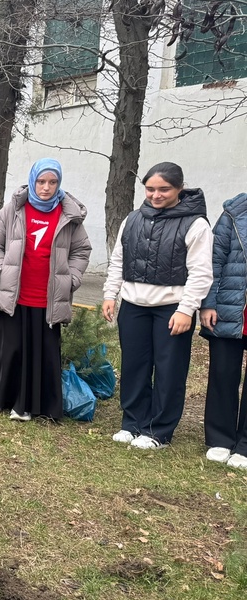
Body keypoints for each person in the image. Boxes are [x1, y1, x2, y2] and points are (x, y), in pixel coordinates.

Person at [102, 162, 213, 449]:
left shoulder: (196, 224)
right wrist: (110, 294)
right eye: (150, 189)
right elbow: (118, 260)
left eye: (164, 189)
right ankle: (132, 422)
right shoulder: (132, 219)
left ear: (179, 188)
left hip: (171, 309)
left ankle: (158, 431)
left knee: (169, 370)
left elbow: (201, 272)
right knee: (134, 366)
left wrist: (186, 309)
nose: (156, 195)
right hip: (133, 306)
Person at [0, 159, 92, 422]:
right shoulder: (14, 209)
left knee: (43, 354)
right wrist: (0, 271)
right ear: (32, 181)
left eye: (52, 182)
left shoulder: (69, 214)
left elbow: (81, 250)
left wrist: (71, 279)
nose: (46, 188)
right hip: (15, 295)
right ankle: (0, 398)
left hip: (48, 299)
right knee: (9, 350)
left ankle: (34, 405)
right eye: (41, 182)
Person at [200, 192, 247, 469]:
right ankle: (220, 438)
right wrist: (208, 303)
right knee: (223, 374)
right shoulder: (234, 211)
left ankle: (245, 444)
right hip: (229, 309)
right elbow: (213, 261)